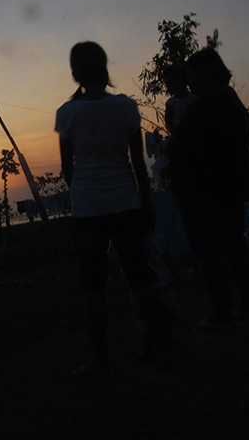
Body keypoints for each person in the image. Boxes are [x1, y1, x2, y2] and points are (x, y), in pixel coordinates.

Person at [55, 41, 171, 376]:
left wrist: (83, 193)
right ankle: (162, 351)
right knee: (141, 279)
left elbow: (67, 168)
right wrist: (145, 202)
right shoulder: (125, 107)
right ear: (104, 68)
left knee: (93, 286)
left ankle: (101, 360)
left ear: (75, 73)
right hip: (125, 204)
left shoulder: (67, 113)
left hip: (88, 209)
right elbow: (138, 164)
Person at [167, 48, 249, 330]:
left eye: (192, 74)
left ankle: (222, 312)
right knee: (235, 243)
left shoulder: (208, 104)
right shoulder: (229, 98)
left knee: (210, 251)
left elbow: (182, 142)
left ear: (207, 72)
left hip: (204, 189)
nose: (189, 81)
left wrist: (166, 145)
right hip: (229, 184)